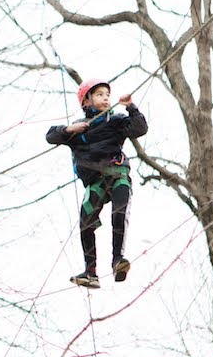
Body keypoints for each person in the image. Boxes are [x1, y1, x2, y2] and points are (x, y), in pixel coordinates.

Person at [46, 79, 148, 288]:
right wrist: (68, 130)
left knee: (119, 213)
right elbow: (50, 136)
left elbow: (140, 128)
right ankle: (90, 272)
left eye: (106, 95)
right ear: (87, 101)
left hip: (117, 174)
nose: (105, 98)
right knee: (86, 221)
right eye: (99, 94)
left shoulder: (116, 121)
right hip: (96, 182)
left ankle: (118, 260)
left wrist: (130, 106)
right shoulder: (78, 131)